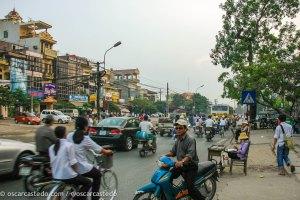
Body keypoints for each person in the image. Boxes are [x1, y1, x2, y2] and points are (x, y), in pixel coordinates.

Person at [67, 117, 113, 200]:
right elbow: (100, 150)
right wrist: (109, 151)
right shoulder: (85, 138)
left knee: (80, 181)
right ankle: (95, 198)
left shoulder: (69, 135)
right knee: (98, 175)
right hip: (80, 167)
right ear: (85, 126)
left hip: (70, 166)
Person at [166, 119, 205, 199]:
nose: (178, 130)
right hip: (181, 165)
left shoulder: (190, 140)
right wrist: (164, 156)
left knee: (190, 189)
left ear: (185, 129)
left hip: (191, 166)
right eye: (176, 128)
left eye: (180, 128)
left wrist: (182, 161)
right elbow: (173, 152)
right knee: (167, 177)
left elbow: (190, 155)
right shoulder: (178, 139)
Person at [49, 126, 91, 200]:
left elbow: (52, 162)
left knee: (60, 192)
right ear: (65, 134)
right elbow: (73, 163)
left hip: (55, 175)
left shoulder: (51, 147)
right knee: (88, 182)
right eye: (66, 131)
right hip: (67, 176)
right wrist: (78, 172)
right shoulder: (68, 145)